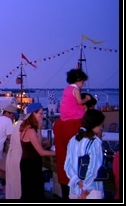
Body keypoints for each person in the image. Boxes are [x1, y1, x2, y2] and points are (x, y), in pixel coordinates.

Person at [53, 68, 91, 199]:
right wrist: (85, 99)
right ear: (79, 80)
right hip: (78, 180)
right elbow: (79, 102)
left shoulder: (66, 89)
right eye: (83, 81)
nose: (83, 84)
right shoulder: (79, 124)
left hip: (64, 174)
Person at [64, 109, 105, 199]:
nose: (101, 127)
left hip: (74, 190)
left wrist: (78, 181)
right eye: (100, 124)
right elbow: (93, 168)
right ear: (96, 125)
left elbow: (67, 166)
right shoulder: (94, 142)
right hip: (92, 191)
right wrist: (85, 189)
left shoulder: (73, 140)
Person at [19, 102, 56, 200]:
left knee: (29, 192)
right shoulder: (30, 130)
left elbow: (38, 145)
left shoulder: (26, 128)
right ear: (33, 114)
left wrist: (39, 128)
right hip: (31, 165)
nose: (42, 116)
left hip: (28, 163)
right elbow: (41, 152)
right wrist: (59, 153)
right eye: (40, 113)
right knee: (34, 192)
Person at [5, 111, 27, 199]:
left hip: (11, 156)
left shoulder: (18, 126)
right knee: (17, 183)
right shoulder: (24, 127)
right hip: (18, 156)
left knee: (12, 183)